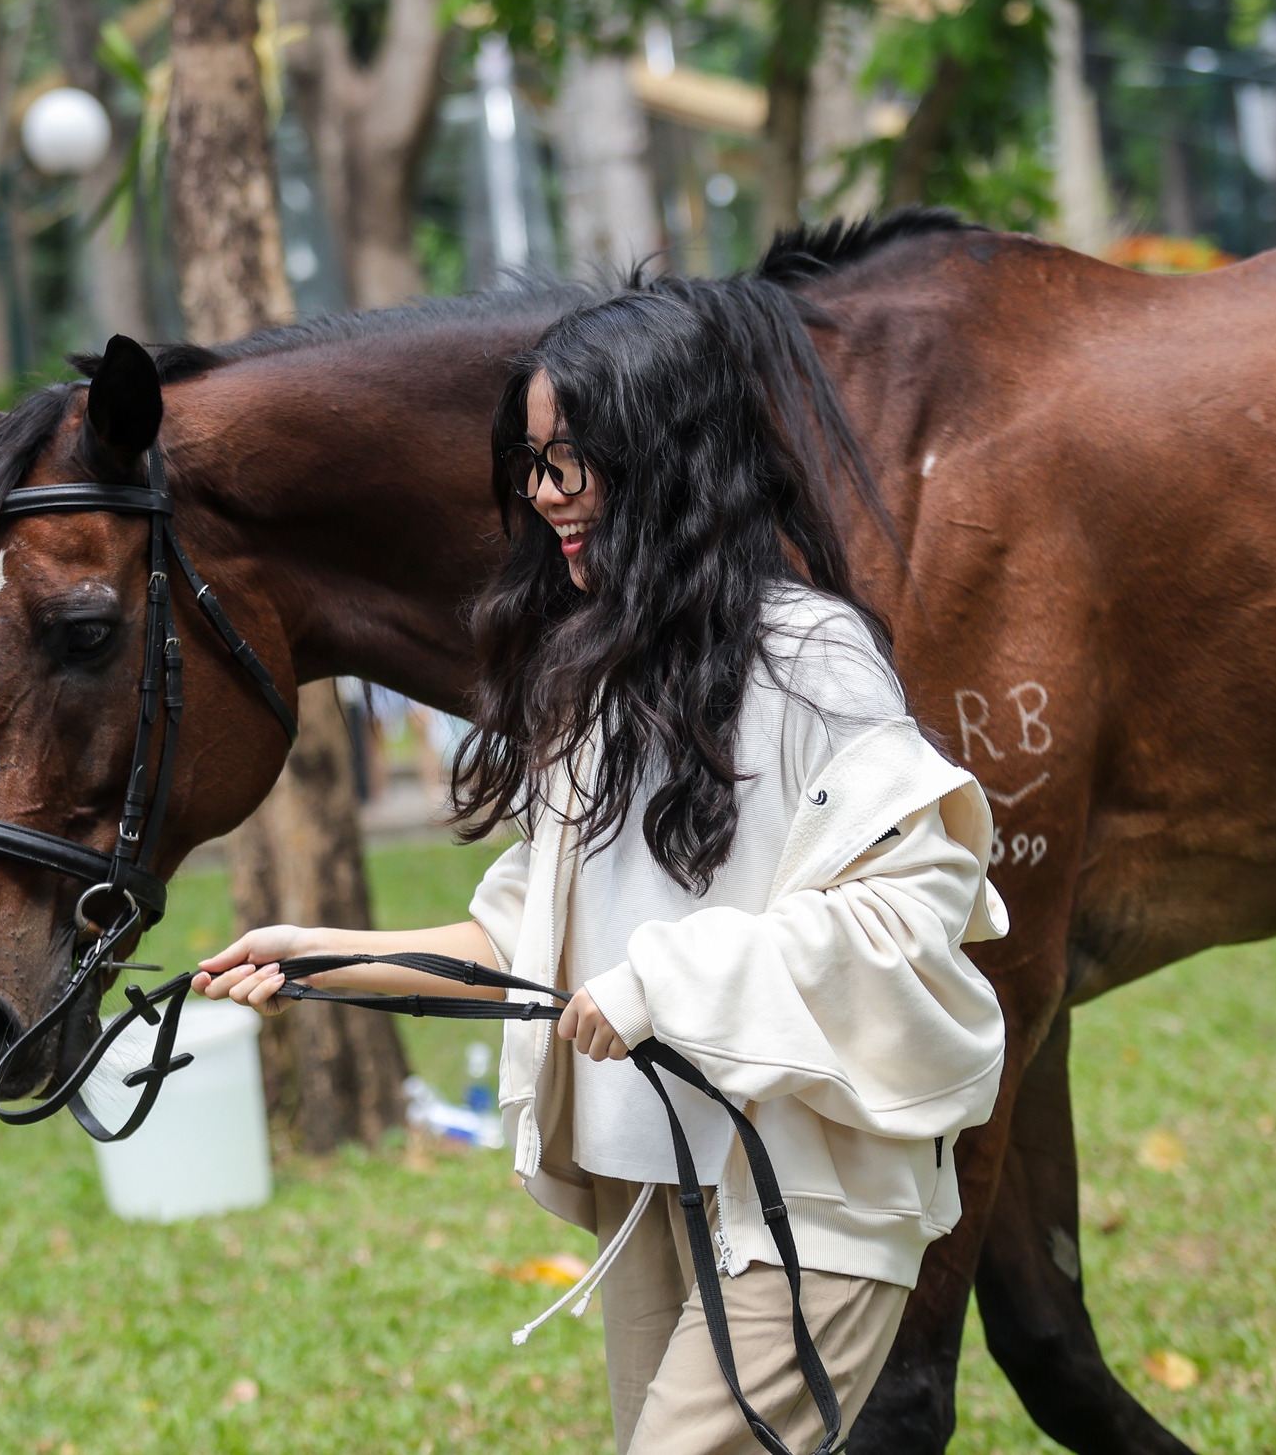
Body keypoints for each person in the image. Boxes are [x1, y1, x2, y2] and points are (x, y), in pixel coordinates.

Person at [198, 284, 1010, 1455]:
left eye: (571, 460)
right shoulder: (592, 682)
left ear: (671, 456)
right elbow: (526, 946)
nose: (543, 494)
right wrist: (324, 959)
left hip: (804, 1196)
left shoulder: (811, 657)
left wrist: (663, 985)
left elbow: (909, 910)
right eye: (532, 464)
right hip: (649, 1186)